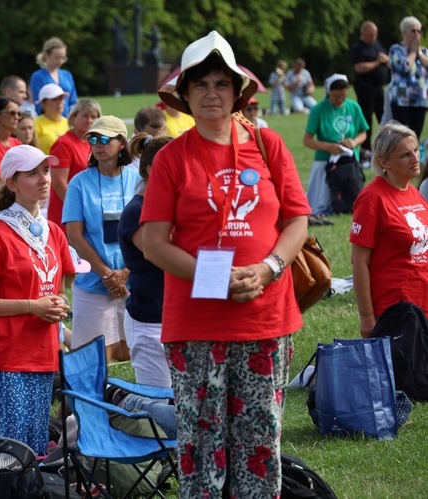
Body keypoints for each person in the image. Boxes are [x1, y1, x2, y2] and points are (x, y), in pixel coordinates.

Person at [143, 31, 309, 498]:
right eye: (200, 85)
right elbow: (155, 243)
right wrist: (214, 276)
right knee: (201, 448)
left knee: (260, 446)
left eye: (221, 83)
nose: (211, 92)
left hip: (266, 318)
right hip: (197, 323)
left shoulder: (268, 144)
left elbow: (297, 219)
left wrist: (269, 268)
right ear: (185, 96)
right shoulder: (172, 158)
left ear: (237, 92)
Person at [0, 145, 74, 455]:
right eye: (32, 173)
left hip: (42, 356)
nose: (44, 179)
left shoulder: (52, 231)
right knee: (5, 457)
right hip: (5, 359)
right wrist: (31, 306)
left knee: (32, 452)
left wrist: (57, 305)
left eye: (46, 171)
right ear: (11, 183)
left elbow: (59, 286)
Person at [62, 116, 139, 362]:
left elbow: (148, 232)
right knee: (92, 359)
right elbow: (74, 235)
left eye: (105, 139)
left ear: (121, 144)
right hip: (93, 285)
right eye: (93, 139)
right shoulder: (79, 183)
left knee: (129, 353)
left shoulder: (137, 180)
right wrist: (107, 274)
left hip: (132, 281)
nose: (98, 144)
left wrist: (125, 273)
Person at [350, 121, 428, 338]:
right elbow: (359, 262)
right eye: (405, 155)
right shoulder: (372, 198)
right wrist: (367, 317)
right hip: (395, 312)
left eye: (416, 150)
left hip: (422, 305)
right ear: (384, 162)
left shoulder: (413, 192)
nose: (415, 159)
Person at [118, 133, 172, 389]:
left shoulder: (172, 206)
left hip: (176, 319)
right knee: (159, 407)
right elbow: (163, 255)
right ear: (152, 170)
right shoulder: (136, 212)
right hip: (151, 323)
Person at [303, 73, 368, 222]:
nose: (339, 101)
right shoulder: (318, 109)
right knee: (320, 202)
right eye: (335, 97)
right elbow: (307, 140)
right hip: (325, 160)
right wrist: (328, 147)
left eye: (342, 97)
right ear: (328, 93)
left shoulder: (353, 106)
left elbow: (363, 132)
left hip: (349, 161)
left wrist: (354, 142)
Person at [48, 99, 102, 230]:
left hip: (90, 211)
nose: (89, 120)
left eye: (94, 117)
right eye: (85, 116)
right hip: (67, 213)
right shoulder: (64, 144)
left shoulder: (93, 142)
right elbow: (59, 183)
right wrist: (78, 209)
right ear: (73, 118)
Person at [351, 21, 390, 160]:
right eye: (370, 35)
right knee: (366, 117)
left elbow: (387, 60)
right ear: (363, 34)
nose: (373, 37)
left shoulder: (377, 44)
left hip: (379, 88)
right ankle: (366, 149)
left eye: (375, 35)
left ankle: (387, 145)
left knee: (384, 116)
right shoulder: (359, 48)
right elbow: (359, 67)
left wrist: (386, 60)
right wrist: (377, 63)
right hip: (365, 87)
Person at [388, 16, 428, 138]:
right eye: (413, 31)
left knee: (415, 136)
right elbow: (403, 68)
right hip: (402, 100)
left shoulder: (424, 52)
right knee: (401, 137)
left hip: (420, 100)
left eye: (418, 31)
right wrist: (412, 52)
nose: (416, 34)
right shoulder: (396, 50)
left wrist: (419, 53)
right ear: (404, 32)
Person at [30, 37, 78, 117]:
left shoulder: (67, 75)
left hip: (67, 121)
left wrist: (72, 117)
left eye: (63, 58)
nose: (60, 61)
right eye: (56, 58)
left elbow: (73, 101)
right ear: (46, 55)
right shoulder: (38, 76)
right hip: (48, 120)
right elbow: (38, 103)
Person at [125, 106, 168, 172]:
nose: (154, 145)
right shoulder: (126, 152)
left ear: (165, 129)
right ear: (137, 133)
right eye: (149, 139)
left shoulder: (168, 148)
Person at [34, 83, 71, 154]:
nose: (59, 102)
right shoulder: (35, 124)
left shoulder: (68, 123)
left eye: (61, 98)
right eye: (54, 99)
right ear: (43, 104)